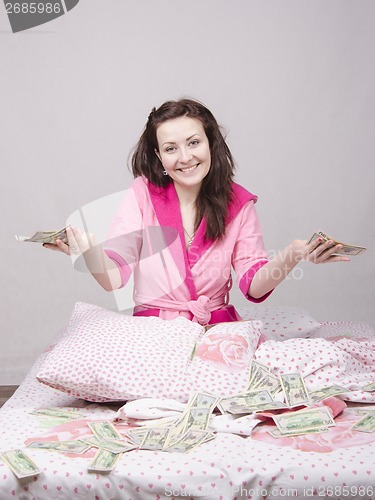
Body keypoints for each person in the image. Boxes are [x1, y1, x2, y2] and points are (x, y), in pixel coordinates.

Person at [43, 98, 349, 325]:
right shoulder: (141, 195)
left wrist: (294, 253)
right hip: (154, 331)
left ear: (210, 143)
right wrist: (87, 251)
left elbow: (252, 285)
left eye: (193, 142)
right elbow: (113, 278)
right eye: (171, 148)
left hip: (217, 331)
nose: (185, 157)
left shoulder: (238, 203)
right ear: (158, 156)